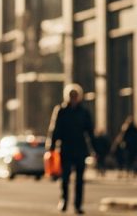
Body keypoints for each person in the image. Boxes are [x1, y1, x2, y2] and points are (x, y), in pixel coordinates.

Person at [48, 84, 94, 214]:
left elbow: (90, 132)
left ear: (79, 97)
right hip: (66, 148)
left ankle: (78, 205)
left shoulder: (84, 112)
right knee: (65, 178)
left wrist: (94, 150)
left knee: (80, 180)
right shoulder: (61, 110)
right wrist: (51, 147)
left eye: (75, 96)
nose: (73, 98)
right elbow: (54, 130)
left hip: (80, 149)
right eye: (71, 96)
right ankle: (63, 200)